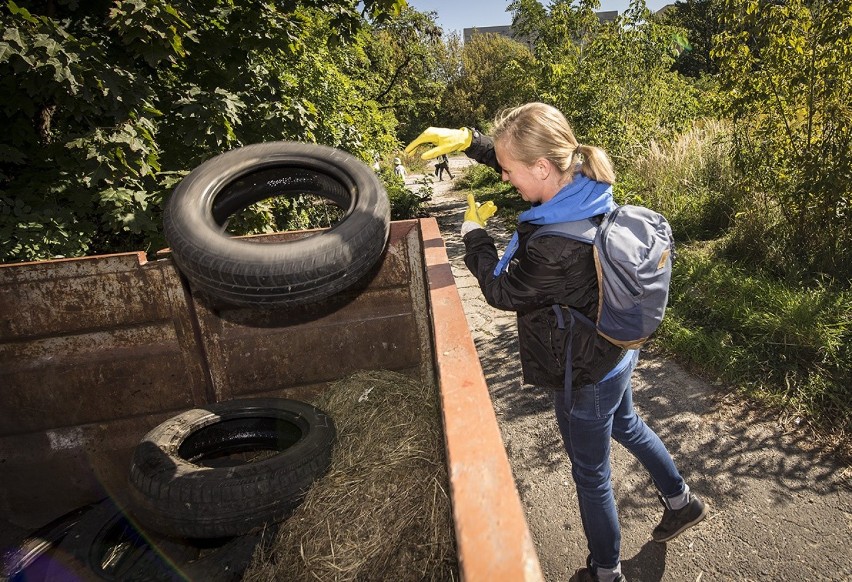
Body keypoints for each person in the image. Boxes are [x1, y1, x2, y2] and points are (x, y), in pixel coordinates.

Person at [405, 103, 707, 582]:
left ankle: (606, 572)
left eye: (508, 172)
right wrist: (469, 139)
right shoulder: (585, 181)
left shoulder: (554, 245)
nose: (506, 181)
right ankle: (682, 502)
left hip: (583, 372)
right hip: (614, 350)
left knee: (592, 475)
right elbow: (524, 158)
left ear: (542, 168)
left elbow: (503, 292)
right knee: (627, 425)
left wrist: (475, 236)